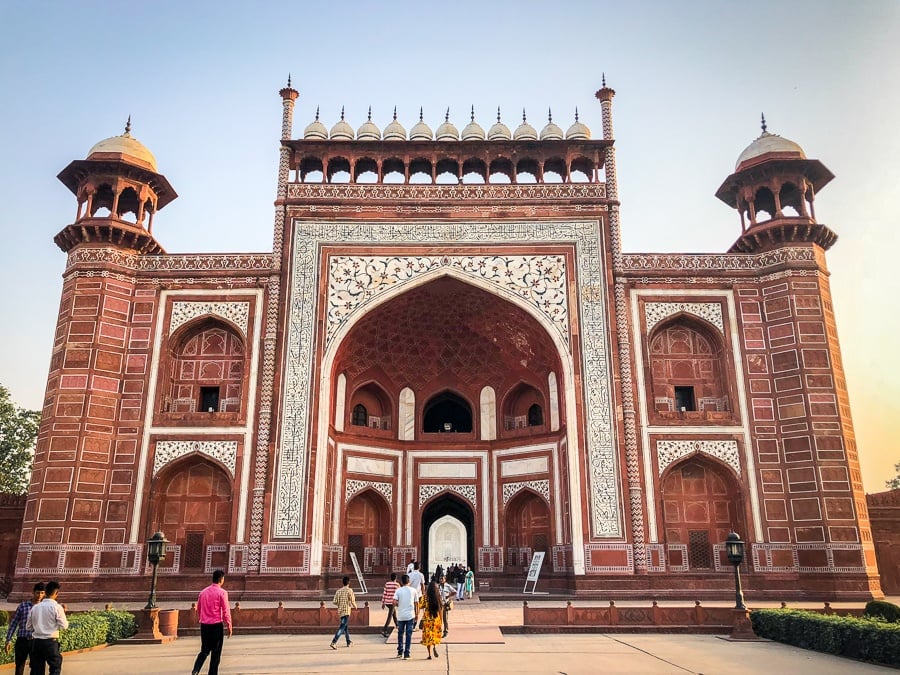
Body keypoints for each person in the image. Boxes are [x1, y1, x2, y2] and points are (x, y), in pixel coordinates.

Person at [192, 569, 232, 675]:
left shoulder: (203, 592)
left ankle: (196, 670)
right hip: (216, 626)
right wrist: (229, 625)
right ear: (221, 579)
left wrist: (202, 619)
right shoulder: (222, 593)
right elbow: (226, 610)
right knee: (216, 653)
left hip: (204, 626)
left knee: (204, 650)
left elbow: (199, 609)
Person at [25, 580, 67, 675]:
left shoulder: (35, 607)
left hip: (36, 642)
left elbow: (28, 627)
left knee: (37, 670)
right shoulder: (57, 607)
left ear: (45, 592)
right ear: (56, 593)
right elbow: (64, 626)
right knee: (55, 668)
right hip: (50, 642)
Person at [5, 582, 45, 675]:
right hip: (22, 640)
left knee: (35, 667)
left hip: (36, 641)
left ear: (45, 594)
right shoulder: (23, 606)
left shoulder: (44, 608)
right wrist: (8, 640)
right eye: (38, 593)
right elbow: (14, 623)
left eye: (42, 593)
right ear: (33, 592)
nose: (39, 595)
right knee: (19, 666)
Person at [392, 573, 419, 660]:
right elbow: (416, 603)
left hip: (401, 615)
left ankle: (400, 651)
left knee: (400, 634)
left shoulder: (398, 591)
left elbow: (394, 602)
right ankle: (406, 653)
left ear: (401, 582)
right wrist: (417, 614)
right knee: (408, 634)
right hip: (410, 615)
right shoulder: (413, 590)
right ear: (409, 581)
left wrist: (400, 605)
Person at [329, 576, 357, 649]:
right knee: (342, 627)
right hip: (347, 611)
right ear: (349, 583)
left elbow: (334, 602)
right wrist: (355, 606)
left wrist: (340, 604)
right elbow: (352, 600)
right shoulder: (349, 590)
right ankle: (334, 642)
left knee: (345, 627)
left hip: (340, 611)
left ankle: (348, 642)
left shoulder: (338, 591)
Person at [419, 580, 443, 660]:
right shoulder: (438, 596)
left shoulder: (425, 597)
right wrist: (441, 620)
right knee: (435, 634)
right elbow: (440, 609)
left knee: (428, 635)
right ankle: (435, 646)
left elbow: (420, 606)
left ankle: (429, 654)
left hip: (427, 619)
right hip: (436, 618)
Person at [380, 572, 400, 637]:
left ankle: (397, 625)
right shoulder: (397, 585)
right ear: (396, 578)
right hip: (393, 602)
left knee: (393, 613)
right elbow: (399, 594)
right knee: (390, 616)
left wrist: (383, 603)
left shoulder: (387, 584)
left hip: (387, 602)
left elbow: (384, 593)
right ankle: (384, 630)